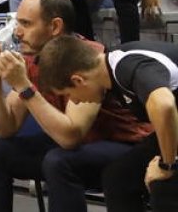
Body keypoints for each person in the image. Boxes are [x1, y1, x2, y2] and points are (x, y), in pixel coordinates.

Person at [0, 0, 153, 212]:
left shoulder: (87, 60)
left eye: (26, 24)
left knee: (60, 161)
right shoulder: (31, 60)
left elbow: (71, 137)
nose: (17, 32)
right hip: (77, 148)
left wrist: (24, 86)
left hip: (124, 146)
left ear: (55, 27)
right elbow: (5, 130)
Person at [37, 36, 178, 209]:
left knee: (163, 185)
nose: (75, 101)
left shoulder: (126, 66)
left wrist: (167, 165)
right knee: (118, 177)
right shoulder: (113, 71)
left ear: (78, 80)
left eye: (69, 94)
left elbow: (164, 105)